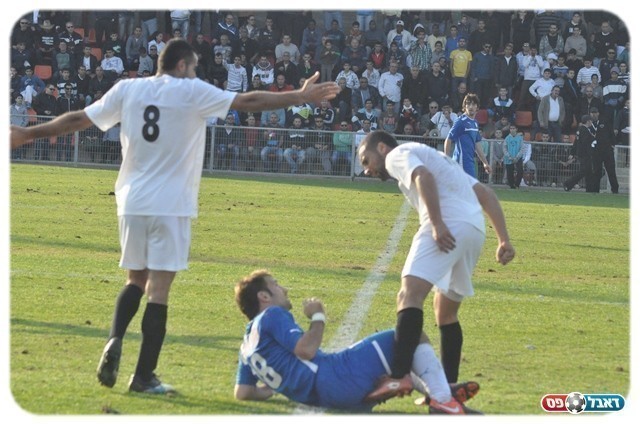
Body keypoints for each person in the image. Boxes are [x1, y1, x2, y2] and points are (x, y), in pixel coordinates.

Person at [10, 38, 340, 394]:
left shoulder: (128, 89)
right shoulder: (191, 91)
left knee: (135, 280)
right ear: (182, 65)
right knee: (159, 292)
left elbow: (79, 119)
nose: (195, 72)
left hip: (132, 200)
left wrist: (29, 133)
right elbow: (248, 101)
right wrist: (299, 96)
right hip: (170, 203)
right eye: (194, 66)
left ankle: (115, 336)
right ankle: (143, 376)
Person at [356, 129, 515, 402]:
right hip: (474, 230)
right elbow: (486, 193)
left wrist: (438, 224)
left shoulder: (396, 155)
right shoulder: (437, 157)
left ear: (381, 148)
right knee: (445, 312)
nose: (366, 170)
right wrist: (504, 240)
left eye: (365, 160)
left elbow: (422, 176)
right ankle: (448, 390)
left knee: (408, 295)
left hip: (449, 224)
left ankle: (399, 375)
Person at [234, 270, 480, 413]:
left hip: (323, 398)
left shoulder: (246, 347)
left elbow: (243, 392)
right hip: (334, 378)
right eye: (276, 285)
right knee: (409, 335)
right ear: (264, 296)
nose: (284, 289)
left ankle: (438, 393)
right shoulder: (271, 315)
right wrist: (318, 316)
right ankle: (443, 400)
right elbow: (306, 350)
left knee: (403, 353)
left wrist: (276, 386)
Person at [444, 93, 491, 178]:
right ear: (464, 106)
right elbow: (449, 139)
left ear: (477, 107)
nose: (470, 107)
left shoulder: (475, 123)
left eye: (473, 104)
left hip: (469, 162)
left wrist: (485, 163)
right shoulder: (461, 121)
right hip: (460, 162)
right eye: (468, 104)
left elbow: (477, 144)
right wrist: (446, 159)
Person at [563, 115, 598, 192]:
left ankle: (589, 189)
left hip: (582, 154)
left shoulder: (580, 130)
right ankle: (568, 183)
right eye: (591, 121)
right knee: (583, 171)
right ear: (588, 121)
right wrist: (594, 138)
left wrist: (572, 152)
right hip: (585, 154)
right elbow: (585, 142)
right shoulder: (585, 130)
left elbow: (576, 142)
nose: (591, 122)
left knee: (588, 171)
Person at [503, 124, 525, 189]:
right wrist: (509, 156)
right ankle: (512, 185)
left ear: (516, 129)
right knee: (509, 172)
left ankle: (517, 184)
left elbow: (522, 148)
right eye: (511, 128)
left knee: (520, 171)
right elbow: (504, 148)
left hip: (518, 158)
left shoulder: (520, 138)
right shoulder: (507, 138)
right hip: (509, 158)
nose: (512, 130)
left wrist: (517, 157)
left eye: (513, 128)